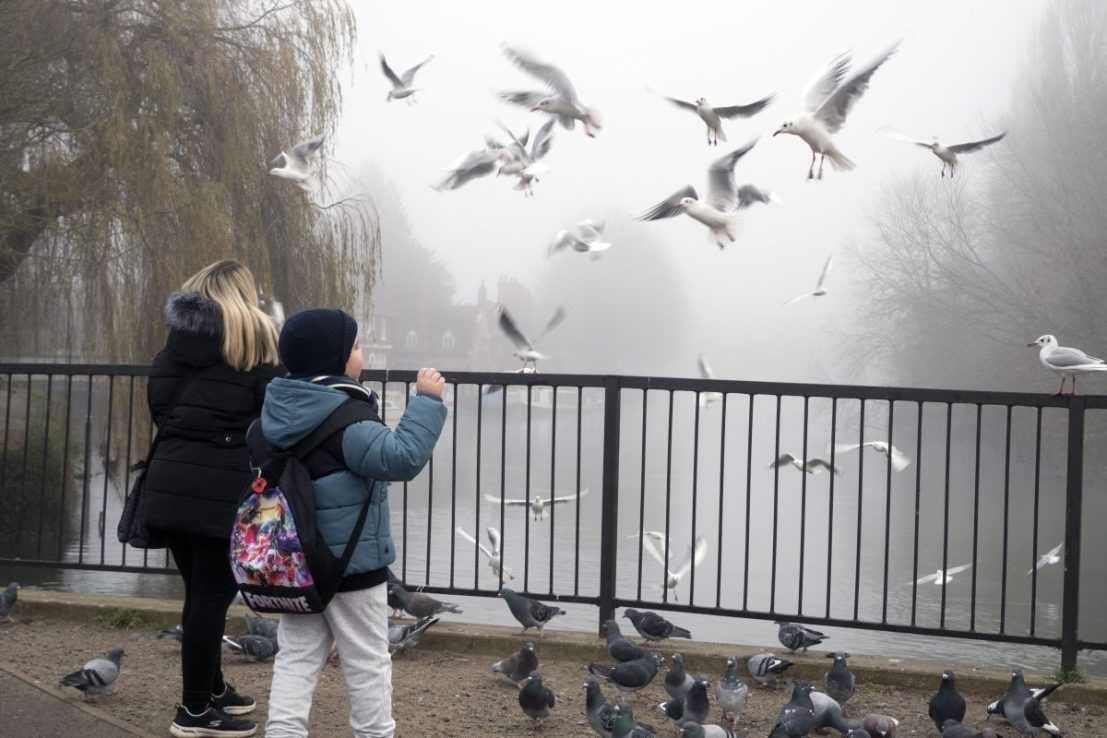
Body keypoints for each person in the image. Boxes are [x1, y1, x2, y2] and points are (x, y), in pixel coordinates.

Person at [259, 308, 446, 738]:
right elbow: (402, 457)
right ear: (337, 360)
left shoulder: (272, 415)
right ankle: (375, 733)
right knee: (367, 659)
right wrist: (427, 401)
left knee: (296, 657)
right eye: (357, 347)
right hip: (352, 566)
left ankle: (282, 733)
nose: (362, 354)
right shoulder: (348, 419)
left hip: (295, 563)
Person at [145, 260, 280, 738]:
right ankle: (194, 712)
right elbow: (271, 423)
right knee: (212, 597)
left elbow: (161, 410)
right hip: (221, 494)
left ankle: (212, 687)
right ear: (242, 297)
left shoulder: (171, 352)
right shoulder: (254, 353)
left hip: (167, 484)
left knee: (198, 594)